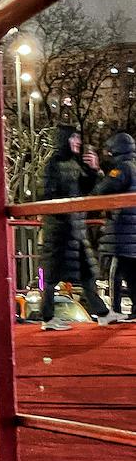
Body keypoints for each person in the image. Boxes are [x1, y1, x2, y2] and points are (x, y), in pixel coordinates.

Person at [39, 123, 122, 330]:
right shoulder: (53, 165)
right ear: (64, 140)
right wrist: (63, 214)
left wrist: (94, 170)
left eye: (78, 137)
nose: (78, 141)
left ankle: (102, 313)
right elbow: (48, 194)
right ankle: (47, 318)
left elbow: (90, 190)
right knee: (52, 275)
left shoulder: (75, 164)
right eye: (73, 138)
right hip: (60, 230)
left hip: (76, 229)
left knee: (88, 272)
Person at [93, 132, 136, 321]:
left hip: (122, 231)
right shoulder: (133, 167)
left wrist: (98, 174)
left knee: (116, 272)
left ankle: (115, 310)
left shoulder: (122, 169)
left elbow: (103, 190)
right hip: (132, 233)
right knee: (132, 273)